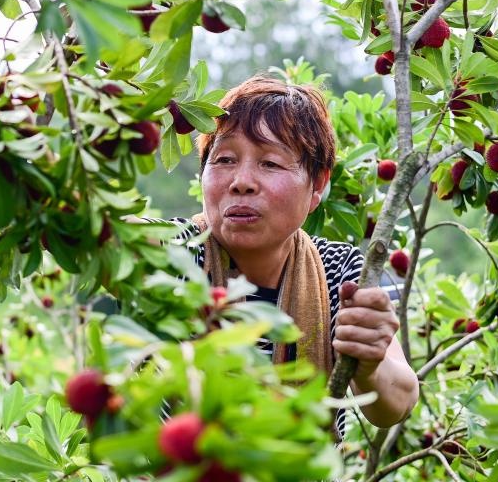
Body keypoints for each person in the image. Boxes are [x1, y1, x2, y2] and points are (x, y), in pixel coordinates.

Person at [169, 75, 419, 440]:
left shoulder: (339, 273)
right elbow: (111, 234)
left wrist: (367, 363)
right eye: (224, 159)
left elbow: (400, 400)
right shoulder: (174, 251)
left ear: (317, 185)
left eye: (269, 163)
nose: (242, 181)